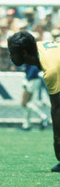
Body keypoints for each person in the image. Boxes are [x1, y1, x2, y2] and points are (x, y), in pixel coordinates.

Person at [7, 31, 60, 172]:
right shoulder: (38, 49)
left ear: (24, 52)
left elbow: (57, 108)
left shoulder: (51, 69)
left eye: (12, 52)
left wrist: (57, 142)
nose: (10, 56)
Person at [19, 63, 49, 131]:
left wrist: (27, 79)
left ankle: (43, 116)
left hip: (32, 79)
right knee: (26, 103)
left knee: (24, 102)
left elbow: (34, 68)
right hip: (33, 79)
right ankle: (26, 125)